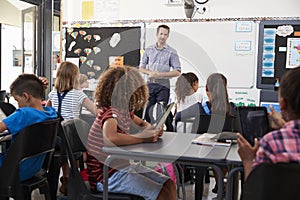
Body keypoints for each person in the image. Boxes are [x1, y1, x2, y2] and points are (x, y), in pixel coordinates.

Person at [85, 66, 176, 200]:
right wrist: (143, 138)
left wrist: (150, 129)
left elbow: (142, 123)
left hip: (121, 168)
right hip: (106, 176)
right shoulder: (110, 113)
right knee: (162, 193)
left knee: (169, 184)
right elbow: (110, 138)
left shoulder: (124, 113)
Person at [238, 66, 300, 180]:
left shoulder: (272, 142)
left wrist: (248, 160)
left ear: (283, 104)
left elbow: (254, 193)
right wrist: (283, 125)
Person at [46, 61, 98, 195]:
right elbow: (96, 112)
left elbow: (47, 112)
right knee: (87, 143)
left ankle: (66, 177)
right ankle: (77, 175)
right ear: (75, 77)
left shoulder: (52, 93)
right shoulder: (79, 94)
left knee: (64, 149)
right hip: (71, 137)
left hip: (55, 137)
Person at [0, 74, 57, 182]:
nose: (18, 105)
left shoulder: (24, 113)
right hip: (32, 169)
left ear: (26, 97)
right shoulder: (50, 114)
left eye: (17, 100)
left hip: (12, 170)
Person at [139, 24, 181, 123]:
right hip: (150, 84)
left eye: (165, 35)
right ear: (157, 34)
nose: (163, 36)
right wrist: (151, 73)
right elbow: (141, 68)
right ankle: (149, 130)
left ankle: (162, 130)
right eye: (161, 34)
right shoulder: (148, 50)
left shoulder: (172, 52)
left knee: (160, 112)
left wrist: (160, 74)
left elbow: (178, 71)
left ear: (168, 36)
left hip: (163, 85)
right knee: (146, 111)